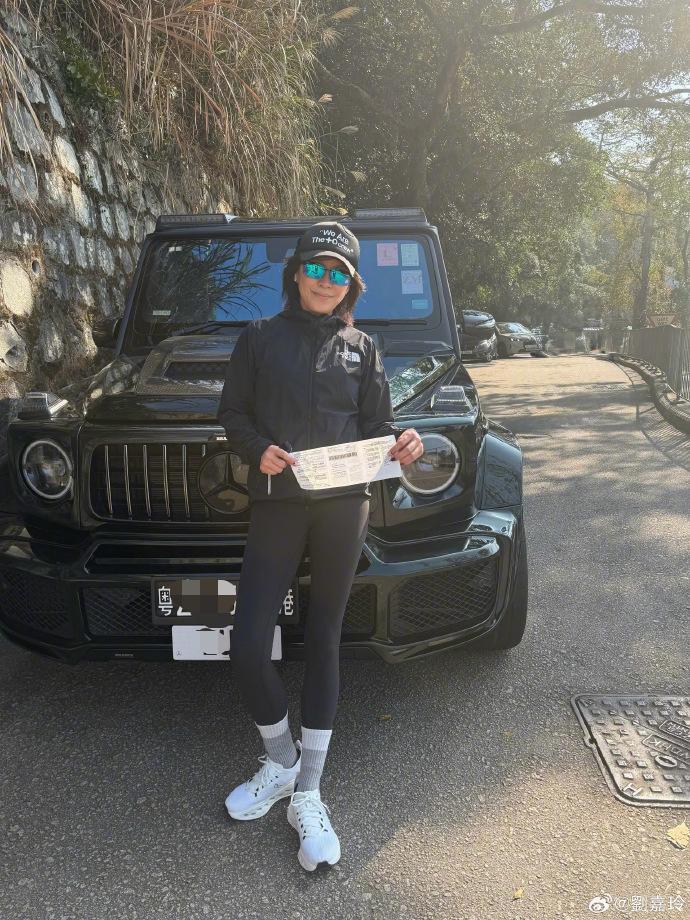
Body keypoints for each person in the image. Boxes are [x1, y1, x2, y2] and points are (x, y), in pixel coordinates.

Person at [216, 221, 423, 872]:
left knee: (324, 639)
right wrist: (257, 449)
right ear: (296, 273)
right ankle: (280, 763)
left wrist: (404, 443)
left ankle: (308, 791)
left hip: (343, 505)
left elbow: (380, 427)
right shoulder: (258, 337)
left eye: (339, 273)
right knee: (248, 643)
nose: (326, 281)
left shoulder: (363, 347)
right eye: (316, 268)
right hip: (278, 503)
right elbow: (233, 414)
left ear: (351, 285)